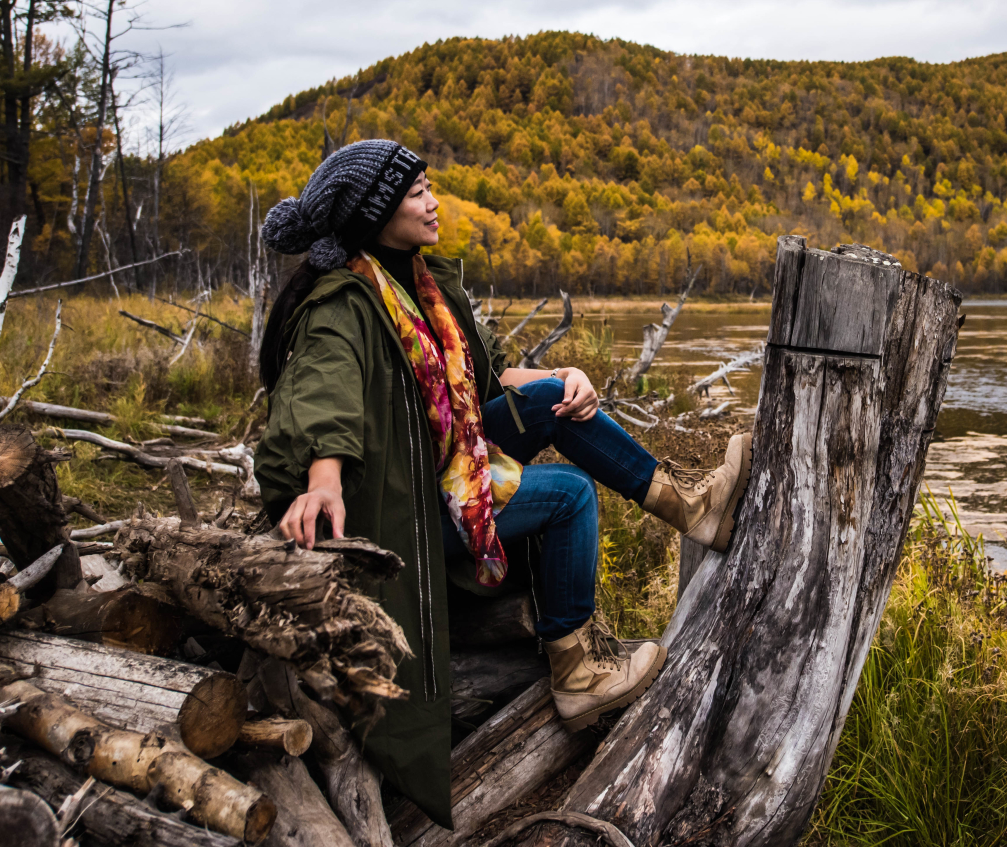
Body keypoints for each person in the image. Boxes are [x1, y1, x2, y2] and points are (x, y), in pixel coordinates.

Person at [253, 138, 749, 828]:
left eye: (429, 187)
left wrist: (557, 383)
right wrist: (324, 477)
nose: (433, 202)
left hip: (435, 466)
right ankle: (577, 671)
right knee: (567, 495)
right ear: (375, 212)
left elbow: (478, 383)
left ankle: (690, 503)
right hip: (398, 510)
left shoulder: (422, 284)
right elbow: (320, 392)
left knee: (550, 399)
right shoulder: (341, 305)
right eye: (417, 191)